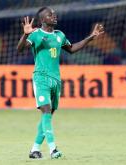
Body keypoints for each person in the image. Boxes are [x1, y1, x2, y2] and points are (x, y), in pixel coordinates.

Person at [17, 6, 104, 159]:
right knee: (46, 110)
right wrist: (25, 35)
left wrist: (91, 37)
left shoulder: (60, 35)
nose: (54, 16)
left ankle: (34, 150)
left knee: (48, 115)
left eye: (54, 14)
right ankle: (53, 149)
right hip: (41, 78)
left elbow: (72, 49)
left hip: (56, 80)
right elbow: (20, 49)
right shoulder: (36, 34)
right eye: (50, 15)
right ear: (43, 19)